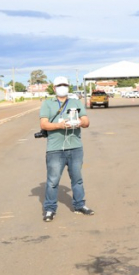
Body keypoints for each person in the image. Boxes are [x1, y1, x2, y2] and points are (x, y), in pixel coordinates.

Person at [39, 76, 94, 222]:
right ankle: (50, 209)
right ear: (54, 87)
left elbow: (86, 121)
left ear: (68, 87)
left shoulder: (75, 102)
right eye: (59, 85)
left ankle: (80, 205)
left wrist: (78, 122)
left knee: (77, 179)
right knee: (52, 181)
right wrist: (60, 125)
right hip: (55, 149)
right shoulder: (47, 104)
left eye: (64, 85)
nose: (62, 87)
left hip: (75, 147)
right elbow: (44, 124)